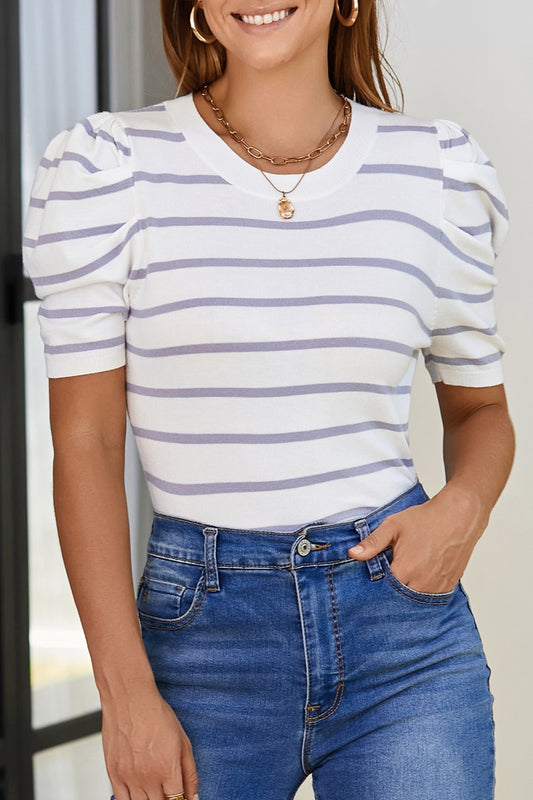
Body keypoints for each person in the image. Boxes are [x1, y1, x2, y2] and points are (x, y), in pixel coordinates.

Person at [23, 0, 515, 798]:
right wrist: (126, 696)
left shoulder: (434, 170)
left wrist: (462, 509)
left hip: (401, 634)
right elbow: (86, 445)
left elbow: (480, 411)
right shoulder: (109, 168)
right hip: (200, 644)